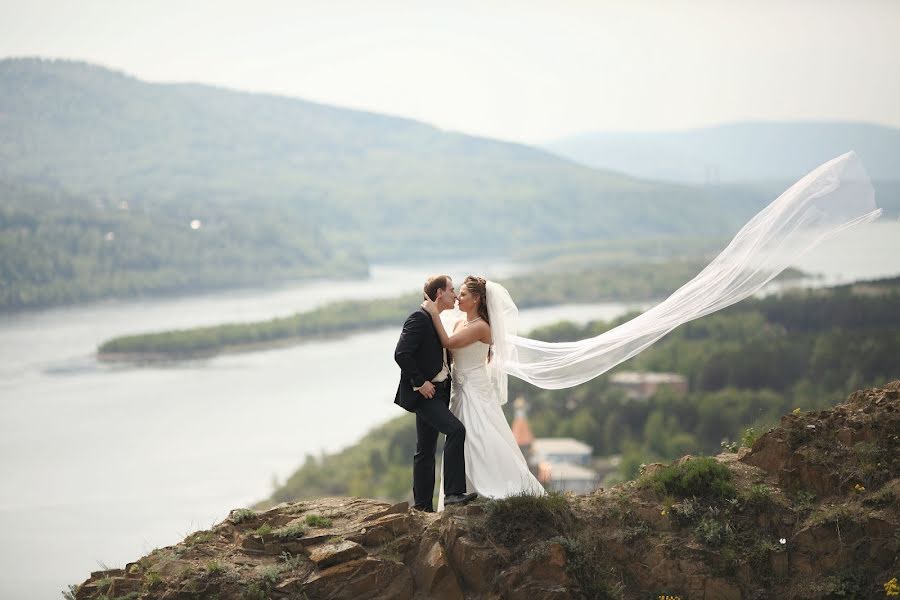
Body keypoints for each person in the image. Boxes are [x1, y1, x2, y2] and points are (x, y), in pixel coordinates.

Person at [422, 276, 545, 509]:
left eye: (464, 294)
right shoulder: (461, 323)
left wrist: (433, 313)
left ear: (477, 299)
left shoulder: (481, 327)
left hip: (474, 390)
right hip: (459, 390)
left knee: (480, 437)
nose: (458, 296)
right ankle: (462, 489)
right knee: (461, 440)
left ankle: (493, 485)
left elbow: (448, 343)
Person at [394, 275, 478, 512]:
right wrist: (420, 383)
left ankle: (422, 506)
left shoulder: (435, 318)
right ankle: (452, 494)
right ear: (440, 293)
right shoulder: (419, 318)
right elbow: (401, 354)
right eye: (452, 290)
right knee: (456, 430)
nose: (455, 295)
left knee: (426, 450)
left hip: (440, 392)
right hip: (425, 394)